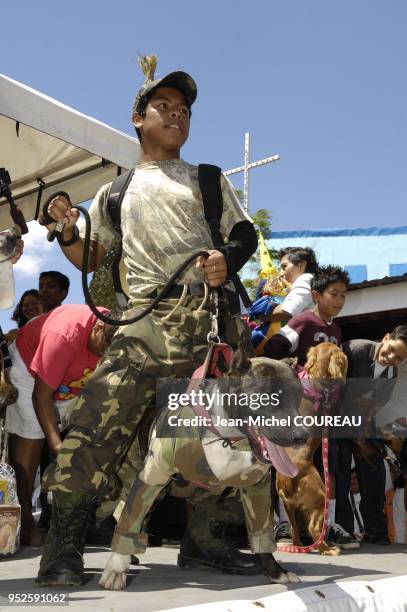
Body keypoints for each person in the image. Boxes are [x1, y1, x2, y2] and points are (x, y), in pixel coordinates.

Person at [36, 57, 258, 586]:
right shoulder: (115, 193)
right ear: (138, 118)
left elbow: (244, 233)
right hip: (143, 326)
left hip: (209, 325)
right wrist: (69, 232)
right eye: (164, 106)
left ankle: (207, 543)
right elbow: (95, 262)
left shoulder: (207, 179)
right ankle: (62, 549)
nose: (176, 115)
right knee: (93, 430)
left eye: (183, 110)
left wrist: (228, 257)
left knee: (226, 433)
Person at [264, 266, 358, 549]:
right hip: (296, 408)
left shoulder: (336, 329)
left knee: (318, 466)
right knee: (287, 461)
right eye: (333, 294)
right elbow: (274, 348)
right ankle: (283, 525)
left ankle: (318, 529)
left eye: (343, 295)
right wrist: (297, 374)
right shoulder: (303, 322)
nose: (339, 300)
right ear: (316, 295)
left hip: (323, 412)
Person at [5, 304, 112, 545]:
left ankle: (81, 519)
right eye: (105, 348)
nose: (105, 356)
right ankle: (25, 525)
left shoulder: (118, 331)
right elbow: (40, 397)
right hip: (30, 372)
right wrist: (58, 448)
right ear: (98, 327)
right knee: (33, 437)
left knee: (90, 441)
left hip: (70, 382)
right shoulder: (62, 336)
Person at [336, 325, 407, 546]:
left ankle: (375, 531)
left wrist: (363, 433)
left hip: (361, 422)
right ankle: (343, 530)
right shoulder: (356, 350)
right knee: (341, 470)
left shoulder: (392, 372)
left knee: (374, 464)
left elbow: (375, 405)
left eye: (400, 357)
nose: (392, 358)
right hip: (336, 418)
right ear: (385, 338)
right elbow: (336, 390)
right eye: (392, 350)